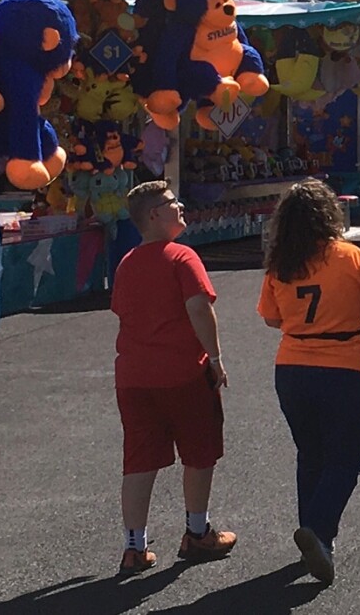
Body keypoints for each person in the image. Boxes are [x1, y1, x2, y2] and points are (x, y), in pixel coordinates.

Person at [258, 179, 360, 586]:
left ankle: (315, 537)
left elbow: (272, 318)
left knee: (310, 453)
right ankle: (317, 529)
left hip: (293, 366)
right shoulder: (350, 257)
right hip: (345, 364)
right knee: (347, 458)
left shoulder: (281, 265)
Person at [111, 181, 236, 575]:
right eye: (170, 203)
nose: (179, 206)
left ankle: (135, 545)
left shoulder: (127, 262)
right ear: (153, 216)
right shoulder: (182, 257)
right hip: (182, 373)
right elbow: (199, 307)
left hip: (134, 377)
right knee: (200, 453)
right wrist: (215, 358)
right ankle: (197, 532)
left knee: (139, 461)